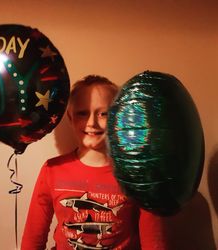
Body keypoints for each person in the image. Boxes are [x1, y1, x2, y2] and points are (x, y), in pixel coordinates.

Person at [21, 75, 168, 250]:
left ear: (117, 117)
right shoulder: (52, 170)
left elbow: (154, 243)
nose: (91, 123)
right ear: (70, 117)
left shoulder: (139, 173)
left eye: (103, 114)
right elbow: (33, 238)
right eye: (82, 113)